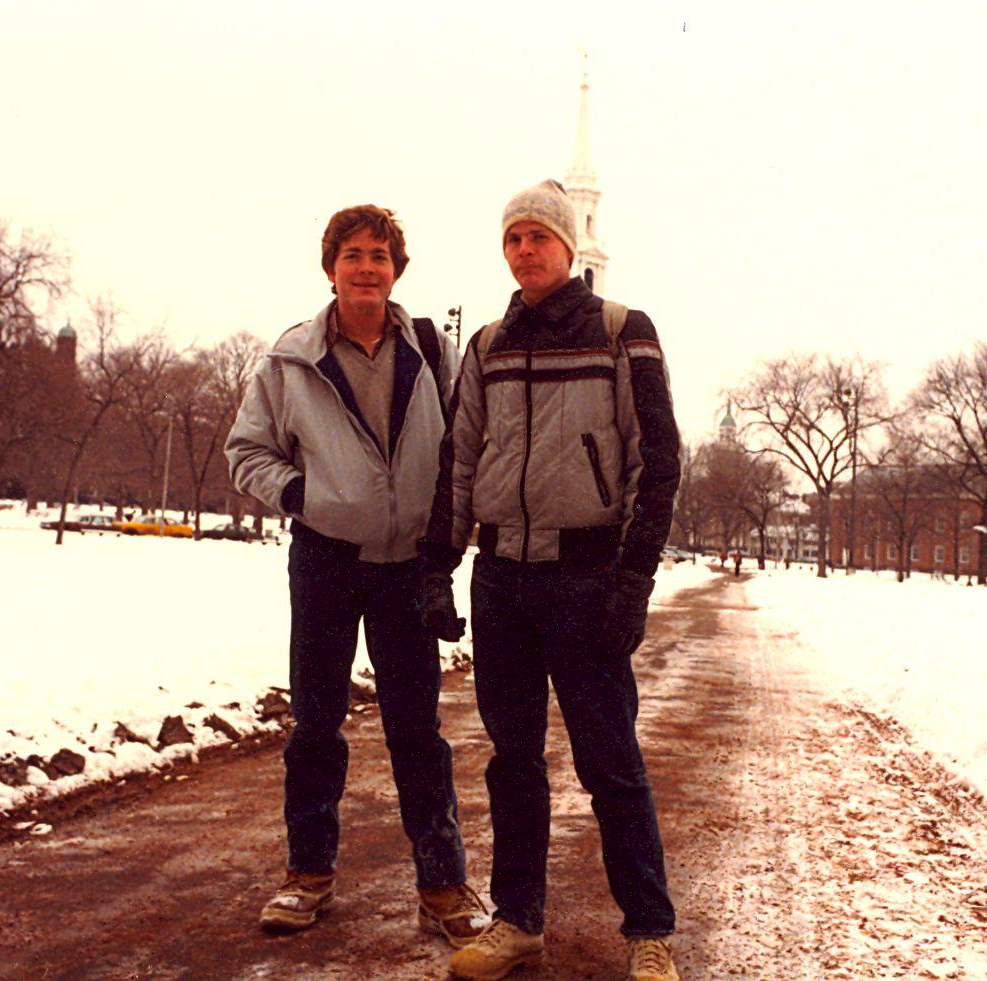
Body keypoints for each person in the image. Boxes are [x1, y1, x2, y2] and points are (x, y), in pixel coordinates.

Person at [418, 180, 682, 981]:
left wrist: (632, 580)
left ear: (569, 247)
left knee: (610, 762)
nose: (525, 250)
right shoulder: (489, 343)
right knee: (514, 759)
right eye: (513, 238)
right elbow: (459, 461)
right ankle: (519, 921)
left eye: (539, 236)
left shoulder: (620, 332)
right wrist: (441, 566)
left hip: (587, 580)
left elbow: (658, 462)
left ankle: (648, 931)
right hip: (504, 581)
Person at [224, 204, 488, 948]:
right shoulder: (291, 359)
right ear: (330, 266)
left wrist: (443, 550)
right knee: (315, 723)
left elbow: (461, 451)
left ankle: (442, 881)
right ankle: (308, 873)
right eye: (352, 254)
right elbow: (247, 451)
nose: (366, 267)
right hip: (326, 560)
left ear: (396, 268)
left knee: (417, 729)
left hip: (407, 567)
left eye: (379, 254)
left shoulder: (433, 349)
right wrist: (305, 496)